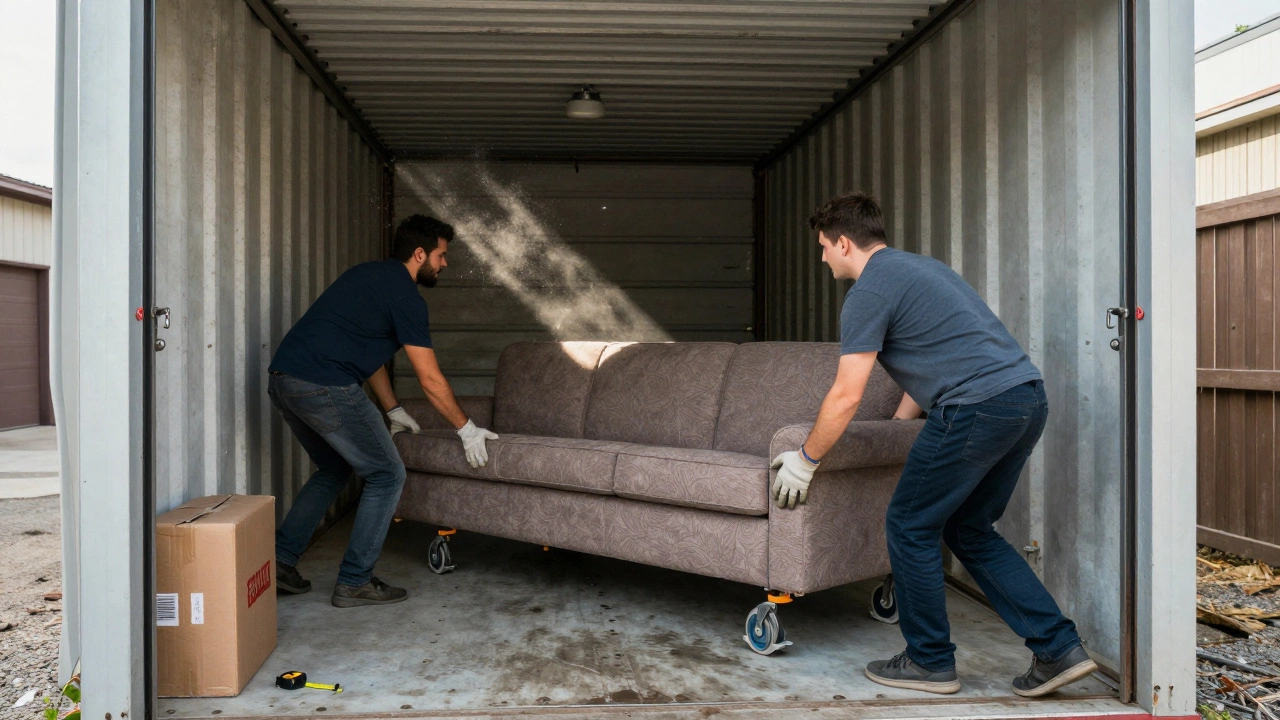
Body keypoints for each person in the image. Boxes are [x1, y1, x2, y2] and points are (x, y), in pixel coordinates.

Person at [770, 192, 1095, 697]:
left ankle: (929, 662)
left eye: (823, 248)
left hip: (974, 410)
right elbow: (934, 356)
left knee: (909, 525)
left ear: (843, 242)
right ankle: (1059, 649)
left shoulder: (868, 291)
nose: (822, 259)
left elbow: (846, 392)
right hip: (1024, 400)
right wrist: (902, 428)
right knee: (970, 529)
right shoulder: (923, 270)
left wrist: (807, 460)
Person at [266, 214, 498, 608]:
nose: (445, 264)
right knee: (388, 474)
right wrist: (467, 428)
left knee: (335, 468)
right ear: (420, 253)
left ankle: (280, 564)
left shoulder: (367, 277)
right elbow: (430, 378)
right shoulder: (407, 297)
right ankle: (355, 580)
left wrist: (391, 408)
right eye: (441, 255)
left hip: (285, 380)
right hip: (326, 384)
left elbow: (365, 351)